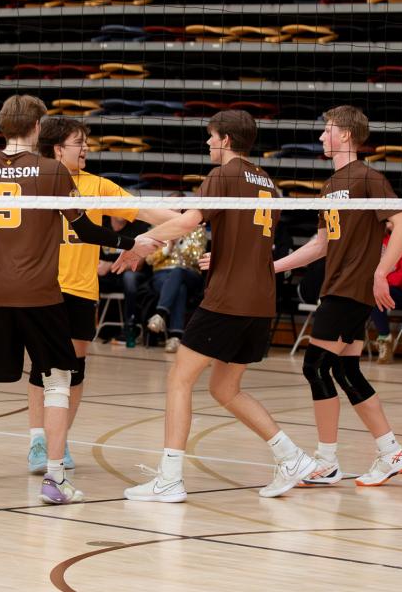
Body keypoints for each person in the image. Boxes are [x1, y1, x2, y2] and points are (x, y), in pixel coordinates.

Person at [0, 95, 160, 504]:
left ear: (2, 125)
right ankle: (55, 479)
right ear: (38, 127)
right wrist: (133, 243)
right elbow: (86, 231)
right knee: (58, 381)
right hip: (40, 296)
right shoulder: (52, 171)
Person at [116, 110, 317, 501]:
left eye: (211, 136)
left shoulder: (223, 174)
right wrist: (222, 258)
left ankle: (169, 479)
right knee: (225, 388)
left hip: (229, 298)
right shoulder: (266, 181)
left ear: (226, 140)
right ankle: (291, 457)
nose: (208, 143)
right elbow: (251, 241)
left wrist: (143, 242)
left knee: (179, 379)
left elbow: (188, 222)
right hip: (260, 298)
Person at [25, 116, 179, 475]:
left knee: (75, 370)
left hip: (81, 288)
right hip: (43, 286)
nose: (86, 149)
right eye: (79, 143)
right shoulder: (35, 180)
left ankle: (59, 441)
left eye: (85, 142)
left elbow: (144, 210)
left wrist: (189, 217)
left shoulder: (96, 185)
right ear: (57, 149)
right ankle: (38, 442)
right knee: (42, 368)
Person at [273, 105, 402, 487]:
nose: (322, 136)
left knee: (315, 367)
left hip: (352, 288)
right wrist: (271, 267)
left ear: (346, 135)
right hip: (336, 285)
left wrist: (381, 272)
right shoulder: (330, 184)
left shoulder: (369, 178)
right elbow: (320, 245)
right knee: (344, 370)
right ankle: (391, 451)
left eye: (328, 129)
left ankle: (327, 461)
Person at [144, 223, 208, 353]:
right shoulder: (158, 227)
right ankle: (175, 337)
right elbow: (149, 259)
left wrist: (180, 242)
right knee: (179, 288)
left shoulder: (197, 228)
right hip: (162, 274)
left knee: (178, 272)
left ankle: (160, 314)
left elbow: (197, 258)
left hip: (189, 273)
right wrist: (169, 245)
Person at [369, 222, 402, 363]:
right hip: (381, 286)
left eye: (390, 219)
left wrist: (380, 282)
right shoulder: (383, 240)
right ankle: (347, 340)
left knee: (375, 294)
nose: (387, 222)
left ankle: (385, 339)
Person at [98, 216, 151, 345]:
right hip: (107, 277)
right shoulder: (100, 224)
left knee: (129, 278)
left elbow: (139, 263)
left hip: (131, 274)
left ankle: (130, 327)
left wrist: (110, 266)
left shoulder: (139, 227)